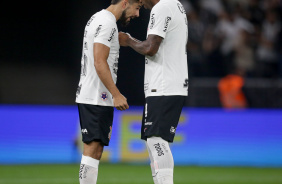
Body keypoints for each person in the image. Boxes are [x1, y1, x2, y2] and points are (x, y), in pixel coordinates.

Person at [119, 0, 188, 183]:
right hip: (168, 83)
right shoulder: (175, 5)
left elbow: (150, 48)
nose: (141, 2)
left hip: (164, 84)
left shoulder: (162, 7)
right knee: (153, 140)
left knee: (157, 140)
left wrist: (127, 40)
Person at [75, 0, 142, 183]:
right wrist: (116, 94)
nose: (137, 14)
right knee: (92, 148)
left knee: (95, 150)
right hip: (97, 94)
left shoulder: (98, 18)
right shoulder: (107, 22)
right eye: (137, 8)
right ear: (125, 3)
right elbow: (99, 61)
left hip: (93, 93)